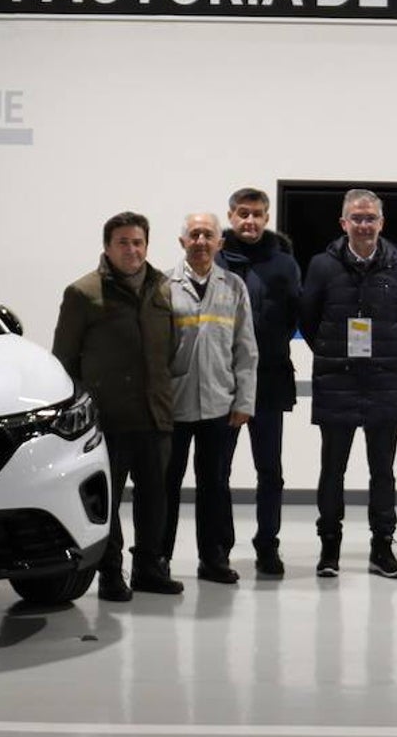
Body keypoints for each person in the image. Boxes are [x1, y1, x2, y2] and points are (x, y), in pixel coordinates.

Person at [52, 211, 184, 601]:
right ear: (107, 247)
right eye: (124, 242)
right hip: (108, 420)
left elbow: (171, 348)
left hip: (155, 415)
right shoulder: (83, 293)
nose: (132, 249)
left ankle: (148, 568)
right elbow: (65, 360)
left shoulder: (162, 288)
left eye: (138, 241)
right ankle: (111, 575)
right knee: (107, 503)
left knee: (154, 499)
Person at [299, 189, 397, 579]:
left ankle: (382, 549)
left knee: (382, 471)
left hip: (384, 381)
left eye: (371, 218)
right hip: (337, 380)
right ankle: (329, 550)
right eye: (357, 218)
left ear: (381, 223)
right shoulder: (321, 265)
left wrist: (385, 354)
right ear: (344, 223)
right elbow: (309, 320)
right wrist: (336, 355)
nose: (364, 225)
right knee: (332, 470)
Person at [163, 212, 258, 585]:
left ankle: (215, 558)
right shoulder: (163, 287)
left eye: (209, 235)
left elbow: (246, 349)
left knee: (215, 484)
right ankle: (157, 558)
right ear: (183, 241)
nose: (201, 241)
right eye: (194, 234)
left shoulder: (233, 287)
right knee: (165, 486)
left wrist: (244, 401)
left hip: (220, 405)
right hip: (173, 405)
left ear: (220, 243)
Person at [215, 188, 302, 578]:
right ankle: (219, 547)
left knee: (271, 472)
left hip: (269, 382)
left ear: (267, 218)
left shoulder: (284, 263)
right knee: (219, 472)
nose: (249, 221)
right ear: (231, 216)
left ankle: (268, 546)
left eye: (257, 215)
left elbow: (292, 317)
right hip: (222, 385)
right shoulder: (214, 259)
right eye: (242, 213)